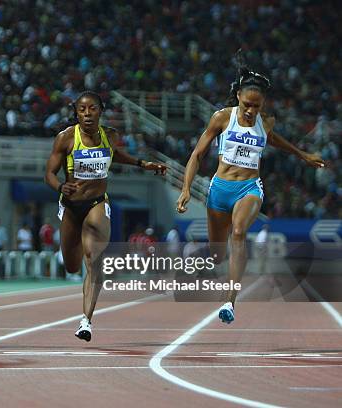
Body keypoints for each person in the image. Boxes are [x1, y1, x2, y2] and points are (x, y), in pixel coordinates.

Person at [176, 56, 326, 324]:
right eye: (246, 105)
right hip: (219, 188)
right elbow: (197, 154)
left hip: (249, 187)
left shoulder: (265, 122)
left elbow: (273, 139)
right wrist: (186, 189)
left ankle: (229, 302)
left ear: (263, 104)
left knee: (239, 231)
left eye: (256, 107)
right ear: (237, 97)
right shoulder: (222, 117)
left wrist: (302, 154)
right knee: (217, 253)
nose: (250, 111)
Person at [44, 91, 166, 341]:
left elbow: (115, 155)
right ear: (76, 113)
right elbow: (48, 173)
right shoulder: (66, 138)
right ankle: (83, 295)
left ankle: (86, 321)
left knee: (93, 260)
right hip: (70, 206)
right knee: (71, 265)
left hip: (97, 203)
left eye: (92, 109)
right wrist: (59, 186)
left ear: (101, 110)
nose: (87, 114)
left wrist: (144, 164)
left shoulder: (109, 136)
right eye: (82, 110)